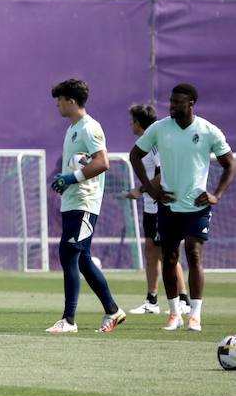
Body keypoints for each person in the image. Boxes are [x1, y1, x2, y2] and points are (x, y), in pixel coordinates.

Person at [129, 84, 235, 332]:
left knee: (194, 253)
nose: (172, 105)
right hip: (168, 205)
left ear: (192, 103)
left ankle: (195, 315)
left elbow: (230, 164)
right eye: (171, 101)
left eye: (178, 101)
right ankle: (174, 314)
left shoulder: (208, 131)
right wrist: (151, 189)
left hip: (197, 205)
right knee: (169, 257)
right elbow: (135, 155)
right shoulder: (159, 128)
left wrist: (217, 194)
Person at [46, 78, 126, 333]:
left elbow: (102, 162)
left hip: (85, 202)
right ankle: (113, 311)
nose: (57, 104)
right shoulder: (72, 129)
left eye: (60, 100)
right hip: (72, 201)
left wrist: (72, 178)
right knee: (82, 259)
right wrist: (65, 180)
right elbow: (81, 163)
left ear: (71, 101)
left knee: (68, 254)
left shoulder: (90, 128)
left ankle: (68, 320)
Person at [124, 104, 189, 318]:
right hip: (150, 208)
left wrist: (140, 189)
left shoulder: (155, 144)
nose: (130, 124)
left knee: (168, 253)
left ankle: (183, 300)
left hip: (162, 206)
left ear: (139, 123)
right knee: (151, 251)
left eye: (132, 120)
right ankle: (151, 300)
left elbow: (165, 174)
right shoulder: (145, 143)